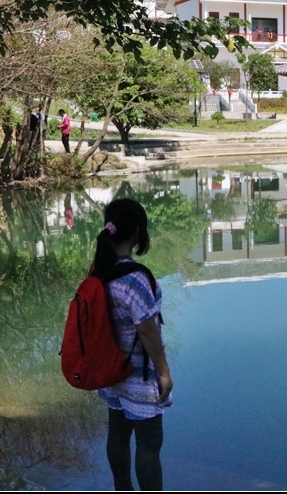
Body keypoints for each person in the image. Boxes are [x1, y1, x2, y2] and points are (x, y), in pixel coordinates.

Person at [93, 199, 173, 491]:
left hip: (111, 371)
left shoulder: (99, 272)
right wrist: (163, 373)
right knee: (150, 443)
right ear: (138, 232)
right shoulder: (136, 279)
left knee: (117, 433)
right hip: (139, 374)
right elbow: (147, 330)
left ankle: (122, 488)